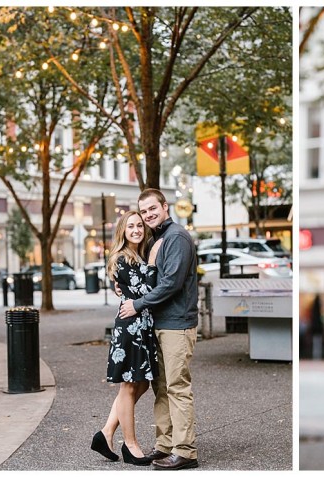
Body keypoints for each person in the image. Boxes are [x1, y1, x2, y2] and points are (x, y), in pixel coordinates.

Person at [119, 188, 200, 470]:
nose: (148, 214)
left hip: (177, 325)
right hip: (161, 324)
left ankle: (186, 451)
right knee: (162, 388)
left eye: (153, 208)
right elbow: (146, 277)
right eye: (144, 211)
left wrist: (137, 304)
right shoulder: (158, 238)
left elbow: (171, 284)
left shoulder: (176, 236)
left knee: (177, 387)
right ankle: (165, 445)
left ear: (165, 207)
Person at [91, 211, 159, 466]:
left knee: (140, 384)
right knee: (129, 386)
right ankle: (130, 445)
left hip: (143, 327)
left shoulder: (139, 254)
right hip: (131, 328)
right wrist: (153, 264)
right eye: (130, 226)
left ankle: (106, 432)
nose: (136, 230)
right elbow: (147, 290)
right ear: (123, 231)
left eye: (139, 225)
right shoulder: (122, 258)